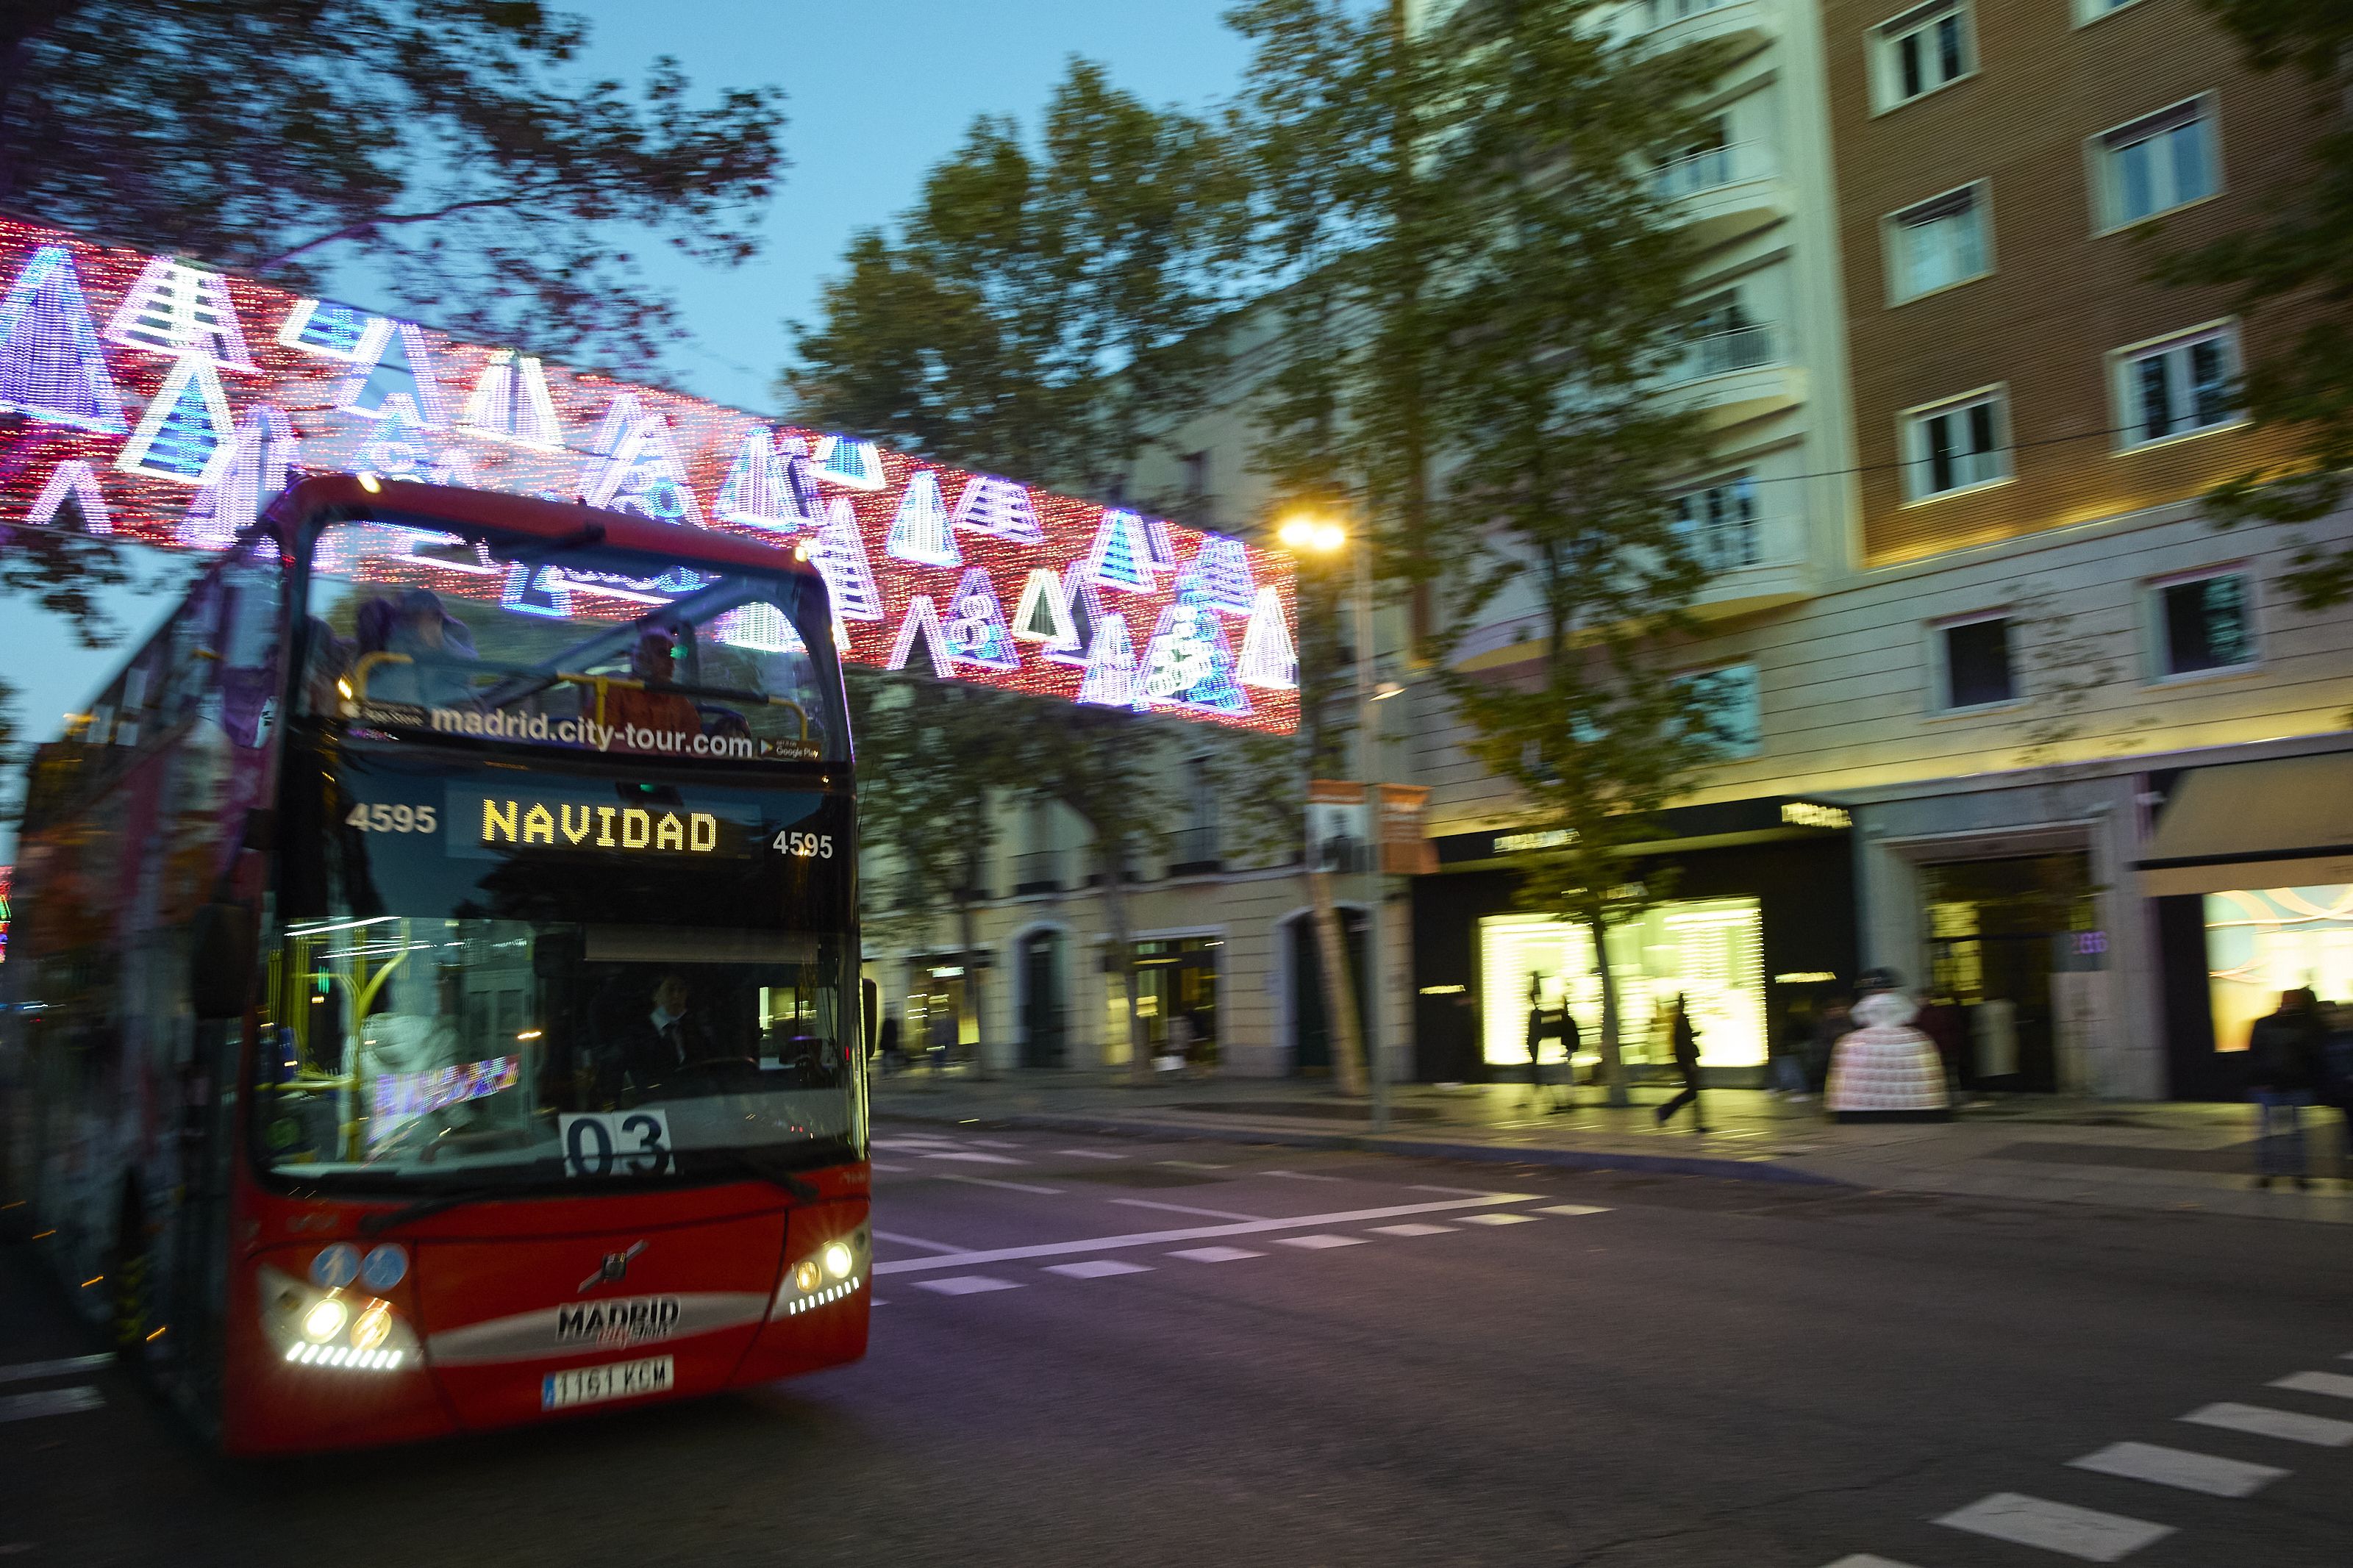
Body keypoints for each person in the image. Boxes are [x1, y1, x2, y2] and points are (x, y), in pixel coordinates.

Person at [1824, 973, 1952, 1122]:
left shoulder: (1868, 1002)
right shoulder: (1900, 1001)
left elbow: (1858, 1016)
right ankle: (1916, 1105)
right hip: (1900, 1033)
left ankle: (1857, 1106)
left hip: (1870, 1035)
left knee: (1851, 1052)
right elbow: (1911, 1014)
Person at [2246, 987, 2324, 1190]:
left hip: (2284, 1085)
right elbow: (2255, 1055)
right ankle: (2289, 1174)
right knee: (2281, 1132)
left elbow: (2255, 1054)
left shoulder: (2268, 1024)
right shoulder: (2298, 1026)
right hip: (2281, 1085)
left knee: (2276, 1132)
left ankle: (2277, 1173)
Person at [605, 624, 703, 737]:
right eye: (662, 654)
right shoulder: (615, 695)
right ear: (641, 658)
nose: (671, 663)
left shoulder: (681, 703)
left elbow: (694, 746)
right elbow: (603, 741)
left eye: (672, 656)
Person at [624, 973, 709, 1096]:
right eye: (670, 990)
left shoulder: (693, 1030)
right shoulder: (635, 1036)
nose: (677, 996)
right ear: (654, 995)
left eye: (681, 990)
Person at [1653, 995, 1707, 1133]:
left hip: (1685, 1060)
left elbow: (1682, 1041)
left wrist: (1694, 1035)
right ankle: (1665, 1111)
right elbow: (1684, 1043)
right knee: (1692, 1092)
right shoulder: (1682, 1019)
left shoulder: (1679, 1019)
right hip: (1688, 1061)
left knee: (1693, 1092)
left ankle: (1667, 1113)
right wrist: (1690, 1063)